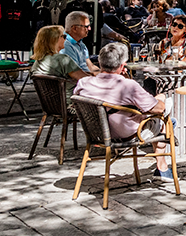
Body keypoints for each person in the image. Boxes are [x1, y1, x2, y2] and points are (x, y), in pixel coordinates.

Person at [73, 42, 174, 180]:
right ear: (122, 65)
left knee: (155, 113)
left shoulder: (84, 83)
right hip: (126, 134)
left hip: (96, 133)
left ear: (100, 63)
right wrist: (162, 99)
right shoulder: (128, 86)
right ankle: (162, 168)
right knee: (167, 117)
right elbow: (158, 108)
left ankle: (161, 168)